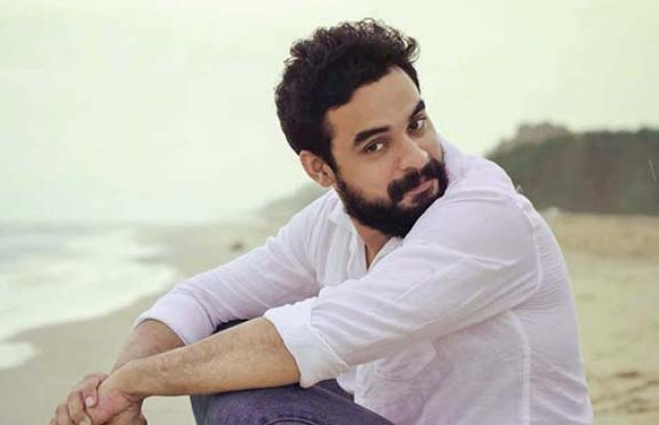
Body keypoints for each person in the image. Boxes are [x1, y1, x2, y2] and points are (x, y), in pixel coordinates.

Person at [51, 19, 593, 425]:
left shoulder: (485, 218)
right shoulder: (329, 225)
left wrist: (132, 383)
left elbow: (300, 341)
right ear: (320, 169)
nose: (414, 158)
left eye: (417, 124)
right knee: (222, 344)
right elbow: (201, 300)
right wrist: (115, 393)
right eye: (376, 145)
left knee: (255, 405)